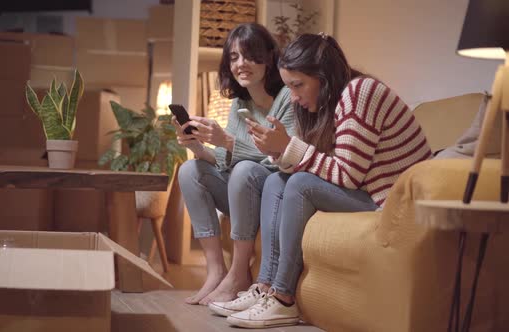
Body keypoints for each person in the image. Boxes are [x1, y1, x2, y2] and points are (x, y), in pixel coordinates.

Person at [217, 33, 432, 328]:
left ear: (323, 77)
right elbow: (325, 165)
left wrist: (287, 147)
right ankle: (264, 287)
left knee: (299, 184)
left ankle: (283, 299)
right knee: (276, 181)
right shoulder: (332, 103)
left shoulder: (360, 93)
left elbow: (347, 174)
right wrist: (280, 151)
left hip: (391, 200)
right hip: (367, 190)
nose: (293, 96)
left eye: (297, 85)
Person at [173, 23, 295, 306]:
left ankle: (239, 272)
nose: (241, 64)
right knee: (190, 170)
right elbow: (228, 164)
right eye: (234, 57)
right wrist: (198, 147)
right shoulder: (239, 103)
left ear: (269, 57)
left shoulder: (288, 97)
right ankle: (215, 270)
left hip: (271, 193)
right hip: (242, 192)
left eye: (250, 55)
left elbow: (280, 158)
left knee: (245, 170)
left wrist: (228, 142)